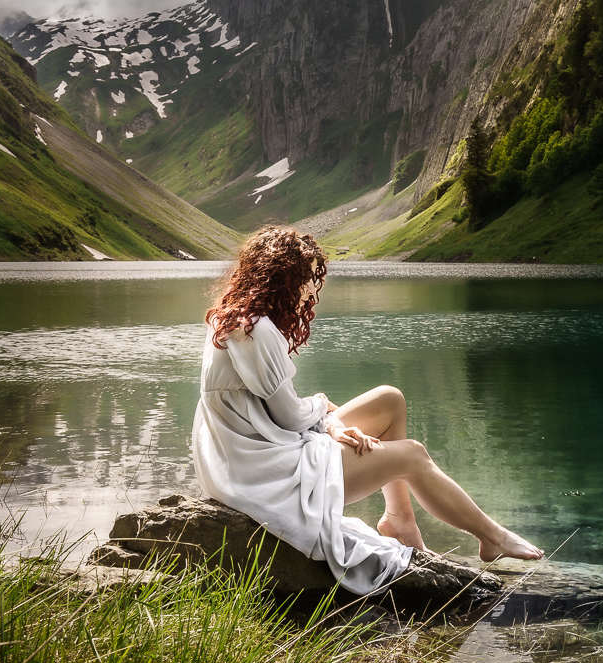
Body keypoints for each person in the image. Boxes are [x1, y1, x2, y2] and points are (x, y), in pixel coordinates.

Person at [190, 225, 542, 594]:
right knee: (413, 456)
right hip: (267, 475)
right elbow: (290, 416)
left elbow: (272, 411)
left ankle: (398, 518)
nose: (311, 288)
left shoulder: (234, 318)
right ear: (281, 274)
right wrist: (324, 408)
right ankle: (492, 536)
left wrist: (327, 424)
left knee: (389, 400)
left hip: (253, 454)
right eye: (306, 276)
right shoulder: (255, 329)